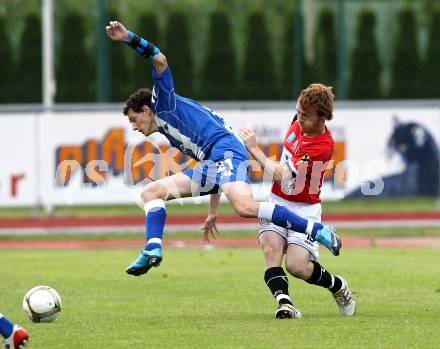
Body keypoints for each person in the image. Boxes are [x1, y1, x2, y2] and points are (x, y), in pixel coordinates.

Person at [105, 21, 341, 277]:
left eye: (133, 119)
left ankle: (317, 230)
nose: (134, 127)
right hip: (215, 159)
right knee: (150, 193)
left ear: (146, 110)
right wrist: (213, 211)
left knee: (245, 207)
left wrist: (128, 37)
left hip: (227, 150)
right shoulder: (169, 131)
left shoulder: (163, 102)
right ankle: (153, 249)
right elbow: (210, 168)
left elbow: (159, 59)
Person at [238, 84, 356, 318]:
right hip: (277, 201)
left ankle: (338, 286)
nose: (299, 119)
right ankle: (285, 304)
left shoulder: (320, 147)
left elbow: (281, 174)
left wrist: (254, 149)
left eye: (305, 116)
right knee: (270, 250)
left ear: (323, 117)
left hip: (305, 210)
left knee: (296, 266)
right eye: (298, 112)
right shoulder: (299, 119)